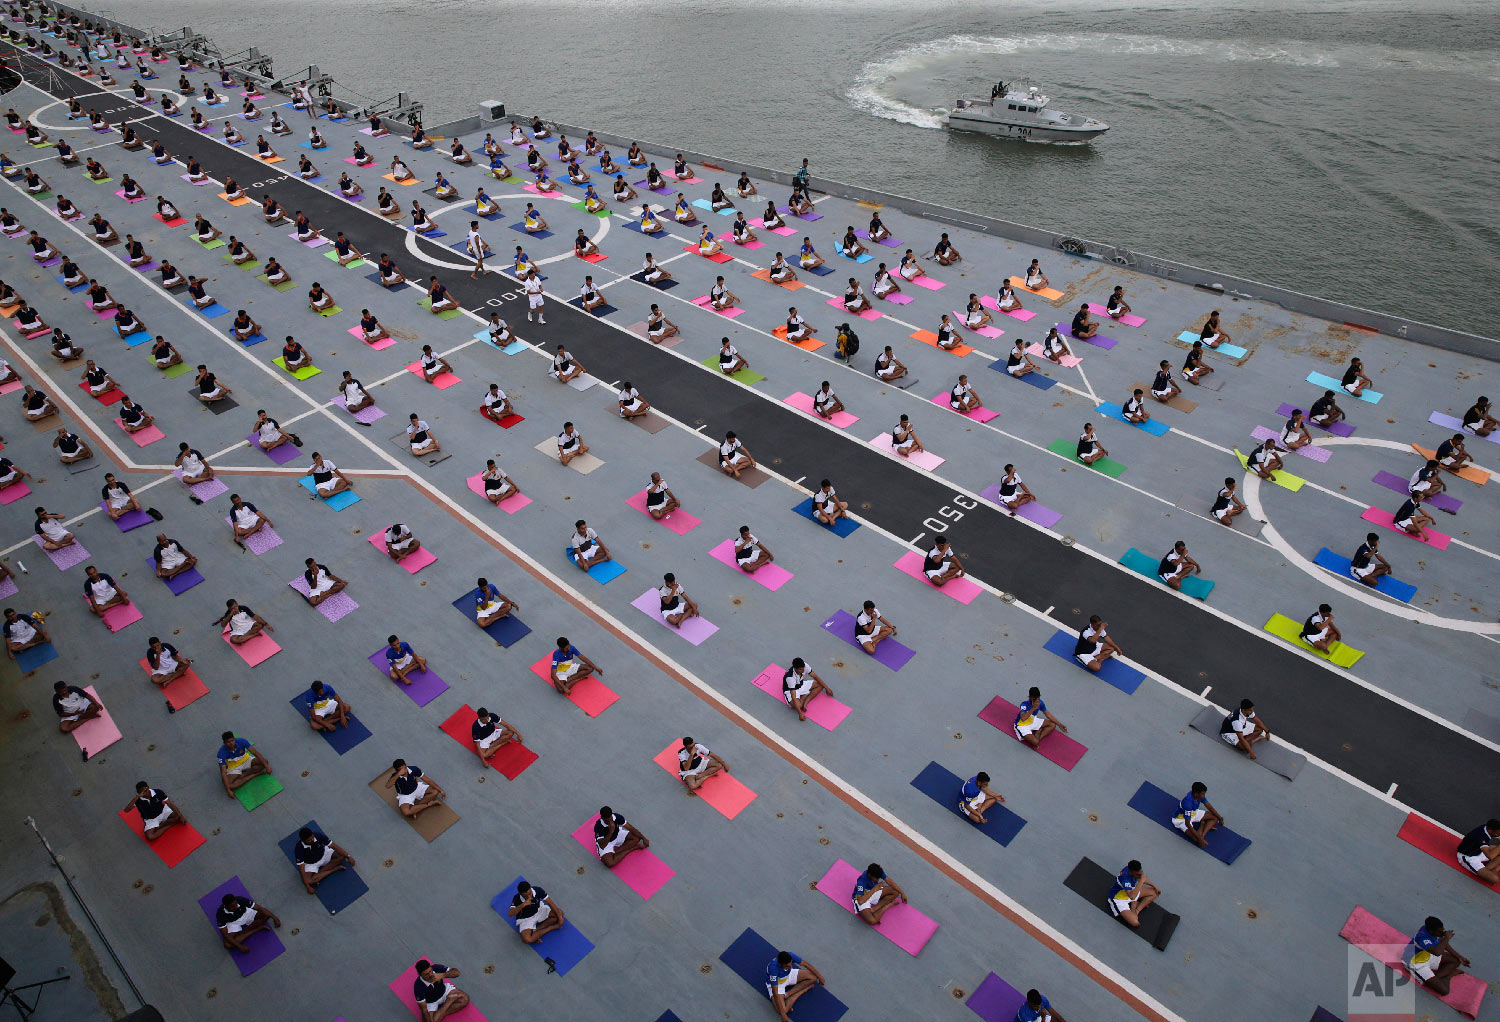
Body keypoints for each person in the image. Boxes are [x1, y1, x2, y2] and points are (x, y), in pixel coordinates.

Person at [1406, 917, 1471, 997]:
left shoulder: (1432, 930)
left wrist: (1460, 957)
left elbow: (1442, 943)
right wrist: (1446, 938)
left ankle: (1436, 979)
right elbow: (1437, 952)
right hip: (1415, 963)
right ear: (1431, 931)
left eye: (1443, 930)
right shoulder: (1422, 937)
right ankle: (1448, 977)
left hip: (1426, 955)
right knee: (1445, 991)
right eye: (1440, 931)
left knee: (1456, 960)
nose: (1442, 933)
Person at [765, 950, 826, 1022]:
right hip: (777, 984)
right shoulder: (773, 969)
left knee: (813, 977)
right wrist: (783, 1015)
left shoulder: (790, 955)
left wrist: (820, 977)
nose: (791, 966)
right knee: (783, 1010)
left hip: (788, 976)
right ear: (781, 964)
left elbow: (806, 964)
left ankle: (788, 994)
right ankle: (803, 990)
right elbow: (775, 992)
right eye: (787, 966)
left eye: (791, 963)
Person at [214, 891, 282, 956]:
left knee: (265, 915)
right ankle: (257, 929)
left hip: (245, 914)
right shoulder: (220, 914)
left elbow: (259, 908)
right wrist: (240, 947)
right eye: (232, 907)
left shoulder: (240, 899)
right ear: (226, 907)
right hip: (233, 923)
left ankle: (243, 932)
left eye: (236, 904)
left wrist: (275, 918)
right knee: (227, 944)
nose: (235, 907)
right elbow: (225, 934)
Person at [291, 827, 355, 894]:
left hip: (324, 854)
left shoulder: (318, 835)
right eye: (309, 840)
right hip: (311, 863)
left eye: (312, 837)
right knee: (308, 881)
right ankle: (335, 869)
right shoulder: (298, 849)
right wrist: (308, 887)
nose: (312, 840)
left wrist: (348, 856)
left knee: (342, 856)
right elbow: (301, 868)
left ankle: (319, 875)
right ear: (303, 840)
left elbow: (333, 846)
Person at [123, 781, 189, 842]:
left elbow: (170, 804)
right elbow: (126, 810)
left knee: (178, 817)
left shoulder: (158, 792)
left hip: (163, 811)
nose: (145, 793)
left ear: (148, 787)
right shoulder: (137, 800)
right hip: (151, 819)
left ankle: (160, 827)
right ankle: (168, 825)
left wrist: (181, 816)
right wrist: (137, 798)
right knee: (150, 837)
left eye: (145, 790)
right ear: (139, 793)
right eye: (142, 792)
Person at [1107, 860, 1161, 929]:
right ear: (1131, 872)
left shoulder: (1129, 869)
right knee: (1135, 922)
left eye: (1141, 872)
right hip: (1119, 899)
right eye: (1138, 875)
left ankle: (1136, 911)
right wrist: (1141, 881)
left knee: (1155, 892)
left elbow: (1140, 878)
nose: (1140, 875)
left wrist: (1154, 886)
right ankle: (1133, 906)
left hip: (1131, 891)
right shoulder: (1125, 880)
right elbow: (1132, 896)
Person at [217, 730, 272, 795]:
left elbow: (255, 753)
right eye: (228, 742)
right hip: (234, 767)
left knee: (265, 762)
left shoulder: (242, 741)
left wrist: (267, 766)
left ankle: (243, 775)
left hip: (245, 760)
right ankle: (254, 775)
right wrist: (228, 791)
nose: (231, 743)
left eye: (232, 740)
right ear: (224, 743)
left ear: (234, 739)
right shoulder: (221, 753)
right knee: (230, 785)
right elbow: (223, 772)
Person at [1172, 781, 1224, 848]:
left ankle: (1202, 835)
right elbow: (1187, 824)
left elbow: (1209, 807)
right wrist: (1199, 840)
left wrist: (1220, 818)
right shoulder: (1187, 804)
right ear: (1196, 793)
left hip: (1193, 813)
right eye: (1203, 794)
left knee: (1215, 817)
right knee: (1197, 840)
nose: (1204, 796)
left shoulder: (1199, 796)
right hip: (1181, 820)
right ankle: (1202, 825)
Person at [782, 658, 834, 722]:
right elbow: (793, 695)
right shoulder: (790, 678)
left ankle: (805, 702)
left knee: (820, 685)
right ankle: (804, 697)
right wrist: (800, 714)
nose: (803, 670)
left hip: (800, 684)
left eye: (803, 668)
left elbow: (815, 676)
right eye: (801, 669)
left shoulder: (804, 666)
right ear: (795, 669)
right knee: (798, 706)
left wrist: (827, 688)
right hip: (791, 691)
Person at [1456, 819, 1500, 884]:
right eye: (1498, 833)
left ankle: (1486, 869)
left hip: (1479, 850)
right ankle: (1493, 869)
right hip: (1468, 857)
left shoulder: (1488, 828)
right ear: (1490, 830)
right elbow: (1490, 856)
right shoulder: (1480, 836)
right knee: (1495, 880)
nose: (1498, 834)